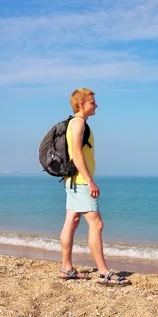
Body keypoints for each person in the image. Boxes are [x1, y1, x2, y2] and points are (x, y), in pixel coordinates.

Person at [58, 88, 131, 287]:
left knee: (71, 222)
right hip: (81, 181)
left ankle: (67, 268)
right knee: (96, 224)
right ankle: (104, 272)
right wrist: (90, 180)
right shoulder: (79, 123)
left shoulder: (73, 123)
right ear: (82, 104)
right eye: (92, 102)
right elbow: (76, 154)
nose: (96, 105)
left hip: (71, 180)